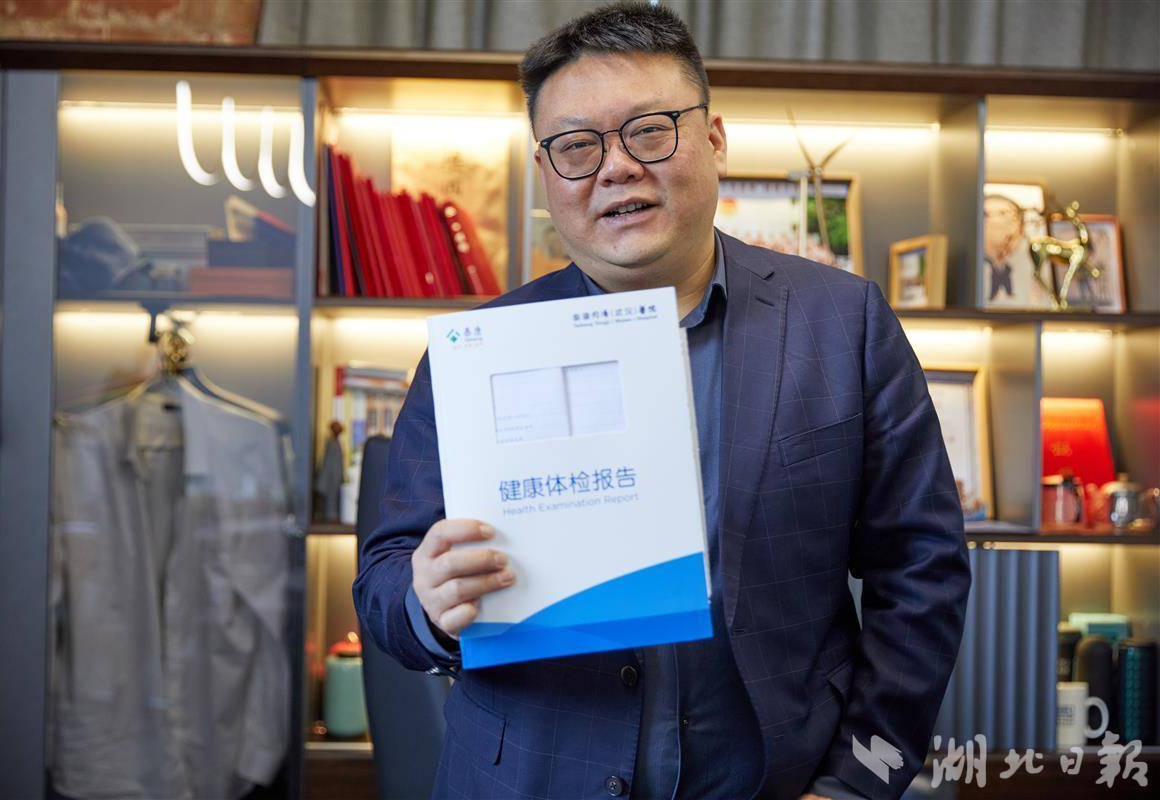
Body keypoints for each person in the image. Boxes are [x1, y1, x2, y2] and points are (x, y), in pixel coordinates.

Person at [354, 3, 971, 798]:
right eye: (577, 147)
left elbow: (922, 571)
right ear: (545, 173)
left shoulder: (842, 322)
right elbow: (382, 584)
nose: (616, 168)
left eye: (649, 131)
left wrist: (857, 782)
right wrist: (425, 602)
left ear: (714, 138)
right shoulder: (478, 353)